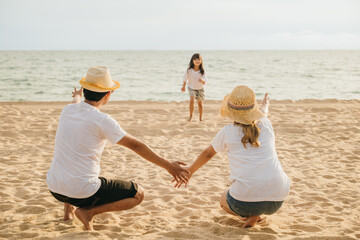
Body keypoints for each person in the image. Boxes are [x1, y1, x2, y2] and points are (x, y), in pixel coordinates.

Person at [46, 66, 189, 230]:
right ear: (107, 95)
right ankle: (88, 212)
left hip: (54, 187)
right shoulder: (102, 120)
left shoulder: (68, 110)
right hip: (81, 192)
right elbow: (136, 145)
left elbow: (76, 103)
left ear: (85, 90)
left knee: (72, 154)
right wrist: (168, 165)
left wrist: (77, 96)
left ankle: (68, 214)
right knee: (138, 194)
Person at [176, 85, 290, 228]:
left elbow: (208, 153)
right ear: (253, 111)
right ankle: (255, 216)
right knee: (254, 191)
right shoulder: (267, 125)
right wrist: (265, 105)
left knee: (224, 200)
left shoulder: (228, 131)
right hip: (278, 198)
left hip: (244, 201)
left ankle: (253, 216)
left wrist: (190, 171)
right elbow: (263, 117)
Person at [181, 53, 207, 121]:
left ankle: (200, 117)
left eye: (199, 59)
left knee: (200, 104)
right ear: (192, 61)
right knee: (192, 101)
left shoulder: (202, 71)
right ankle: (191, 115)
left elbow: (205, 81)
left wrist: (202, 80)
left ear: (201, 61)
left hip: (200, 89)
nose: (197, 61)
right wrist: (183, 86)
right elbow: (185, 78)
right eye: (195, 59)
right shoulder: (189, 70)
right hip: (191, 87)